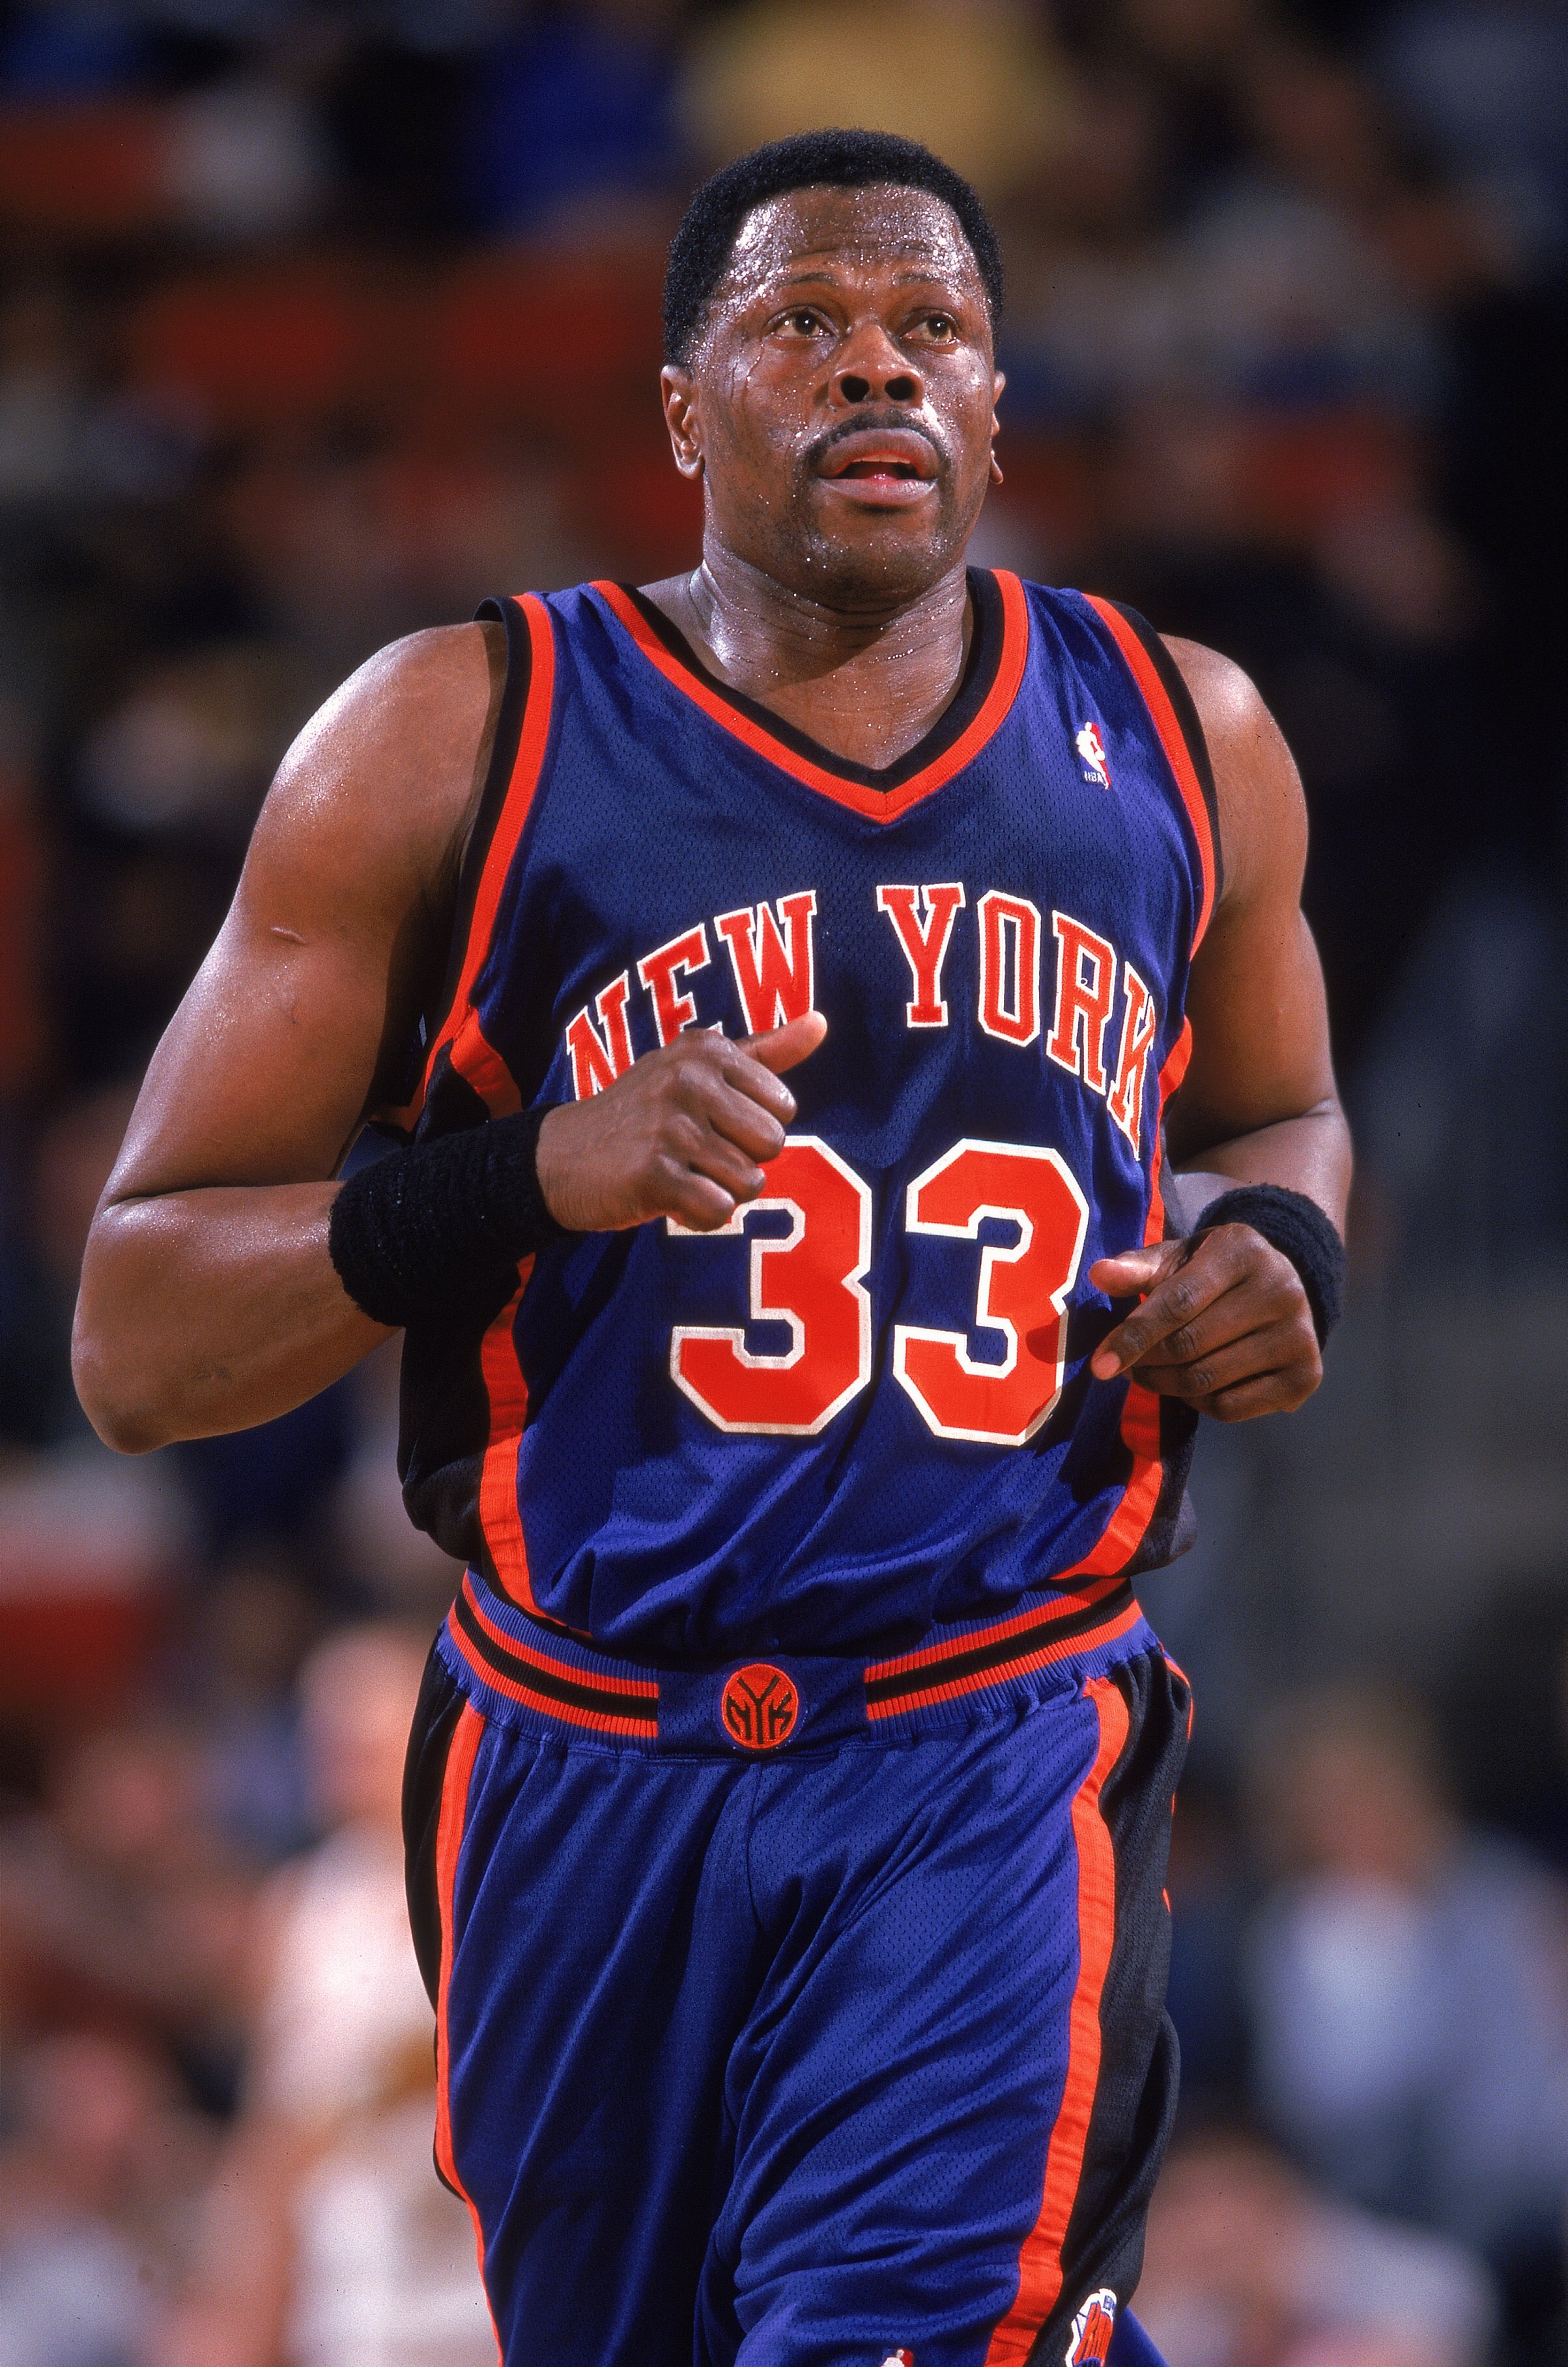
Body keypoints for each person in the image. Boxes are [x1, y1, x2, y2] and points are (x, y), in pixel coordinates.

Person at [73, 128, 1350, 2367]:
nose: (880, 372)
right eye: (807, 325)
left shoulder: (1181, 734)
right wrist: (518, 1177)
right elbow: (138, 1336)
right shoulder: (451, 736)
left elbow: (1278, 1116)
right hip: (579, 1750)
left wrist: (1279, 1249)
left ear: (996, 401)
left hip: (989, 1721)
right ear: (682, 408)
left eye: (932, 329)